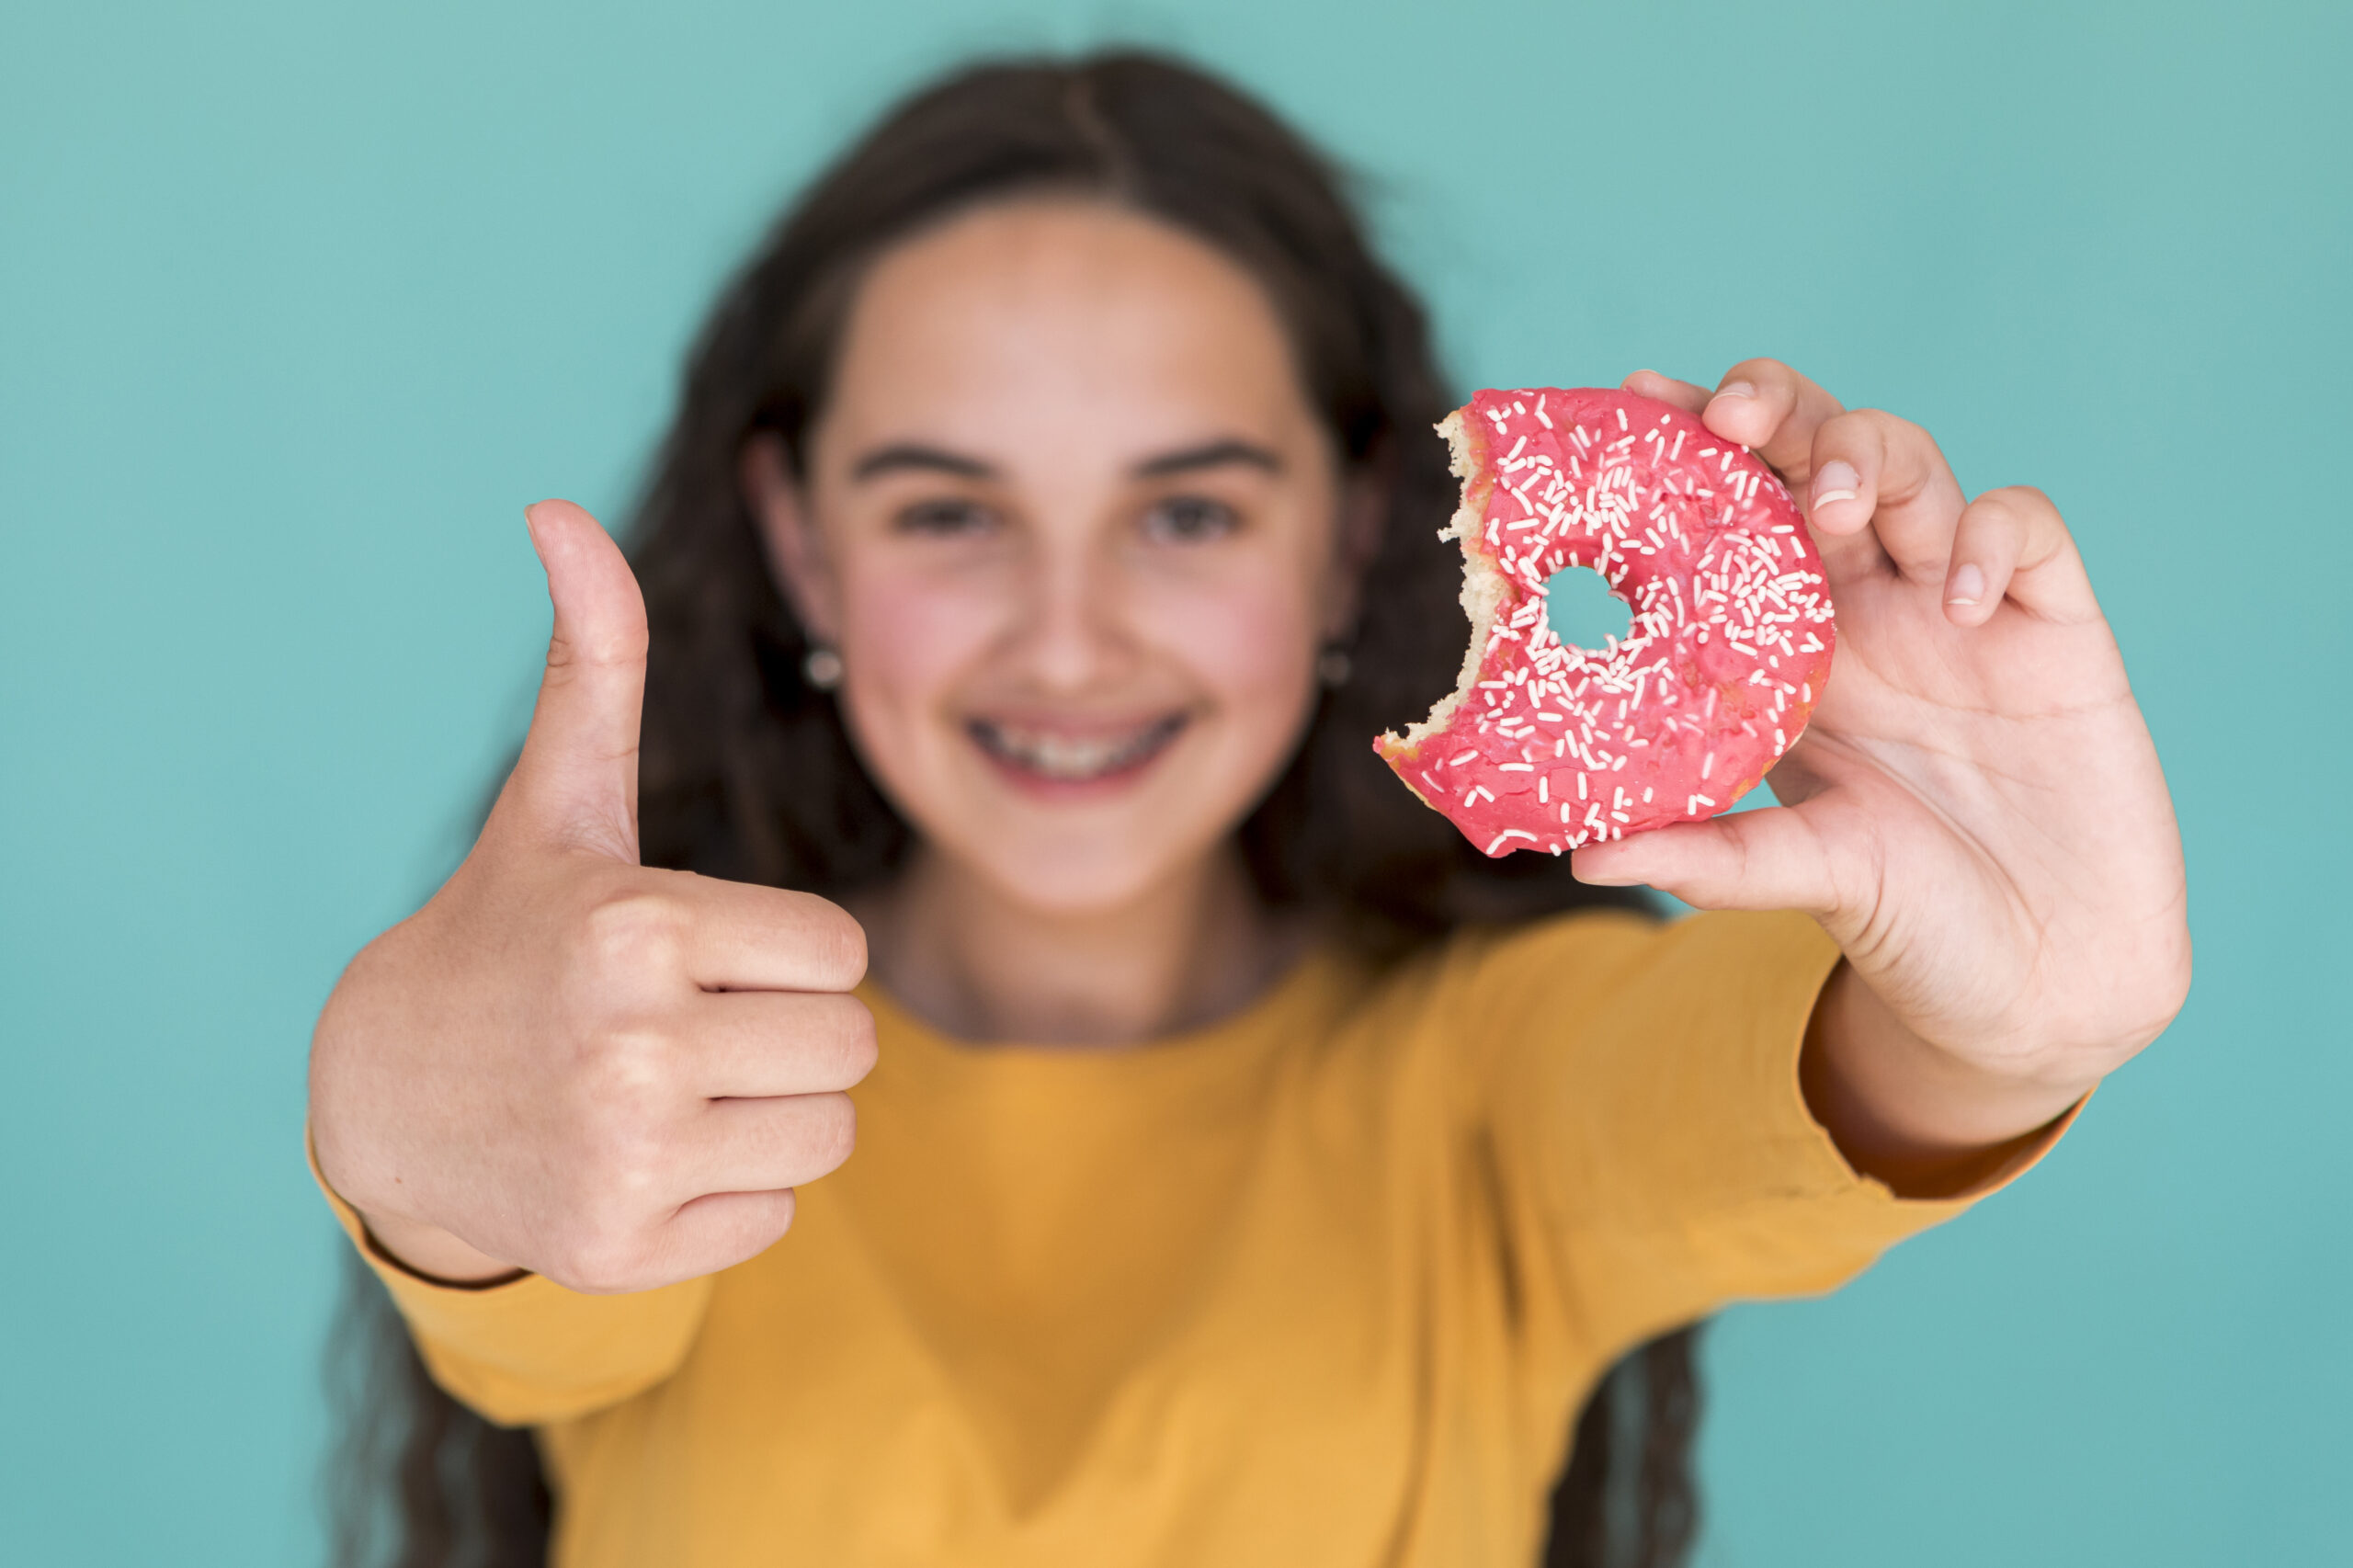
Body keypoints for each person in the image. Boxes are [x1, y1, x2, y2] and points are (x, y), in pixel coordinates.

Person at [308, 51, 2189, 1568]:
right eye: (947, 510)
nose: (1067, 638)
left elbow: (1812, 1094)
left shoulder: (1486, 1093)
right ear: (798, 543)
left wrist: (2007, 1018)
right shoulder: (648, 1073)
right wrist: (394, 1105)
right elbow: (537, 1215)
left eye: (1188, 511)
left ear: (1355, 532)